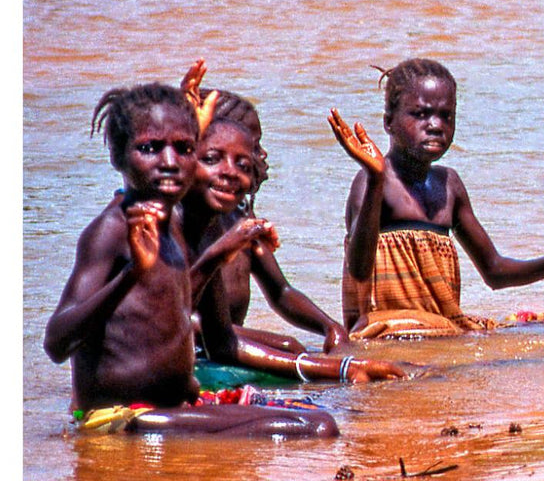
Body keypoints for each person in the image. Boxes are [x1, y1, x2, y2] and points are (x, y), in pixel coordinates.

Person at [43, 82, 339, 436]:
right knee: (318, 428)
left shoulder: (173, 225)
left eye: (184, 149)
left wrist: (220, 252)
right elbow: (57, 343)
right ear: (119, 157)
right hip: (121, 418)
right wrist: (133, 274)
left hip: (168, 409)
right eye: (150, 148)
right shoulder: (115, 228)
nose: (169, 162)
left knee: (316, 415)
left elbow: (204, 334)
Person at [329, 58, 544, 339]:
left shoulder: (449, 185)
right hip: (385, 332)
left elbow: (495, 271)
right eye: (420, 114)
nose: (435, 125)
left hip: (438, 330)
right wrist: (375, 178)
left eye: (446, 115)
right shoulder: (371, 183)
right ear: (389, 122)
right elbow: (357, 269)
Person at [183, 114, 406, 382]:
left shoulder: (238, 223)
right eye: (212, 158)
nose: (261, 156)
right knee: (292, 351)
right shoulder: (168, 225)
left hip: (217, 351)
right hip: (182, 366)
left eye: (243, 160)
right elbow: (177, 319)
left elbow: (280, 292)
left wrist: (332, 331)